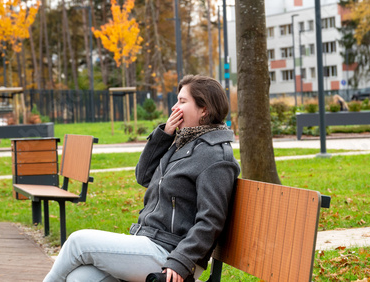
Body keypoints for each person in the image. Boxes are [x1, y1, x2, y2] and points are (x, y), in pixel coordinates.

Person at [43, 75, 240, 282]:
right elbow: (144, 175)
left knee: (77, 242)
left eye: (182, 101)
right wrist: (164, 135)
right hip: (149, 241)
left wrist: (181, 260)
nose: (174, 107)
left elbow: (211, 220)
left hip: (172, 254)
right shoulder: (182, 143)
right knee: (81, 278)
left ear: (204, 109)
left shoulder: (215, 156)